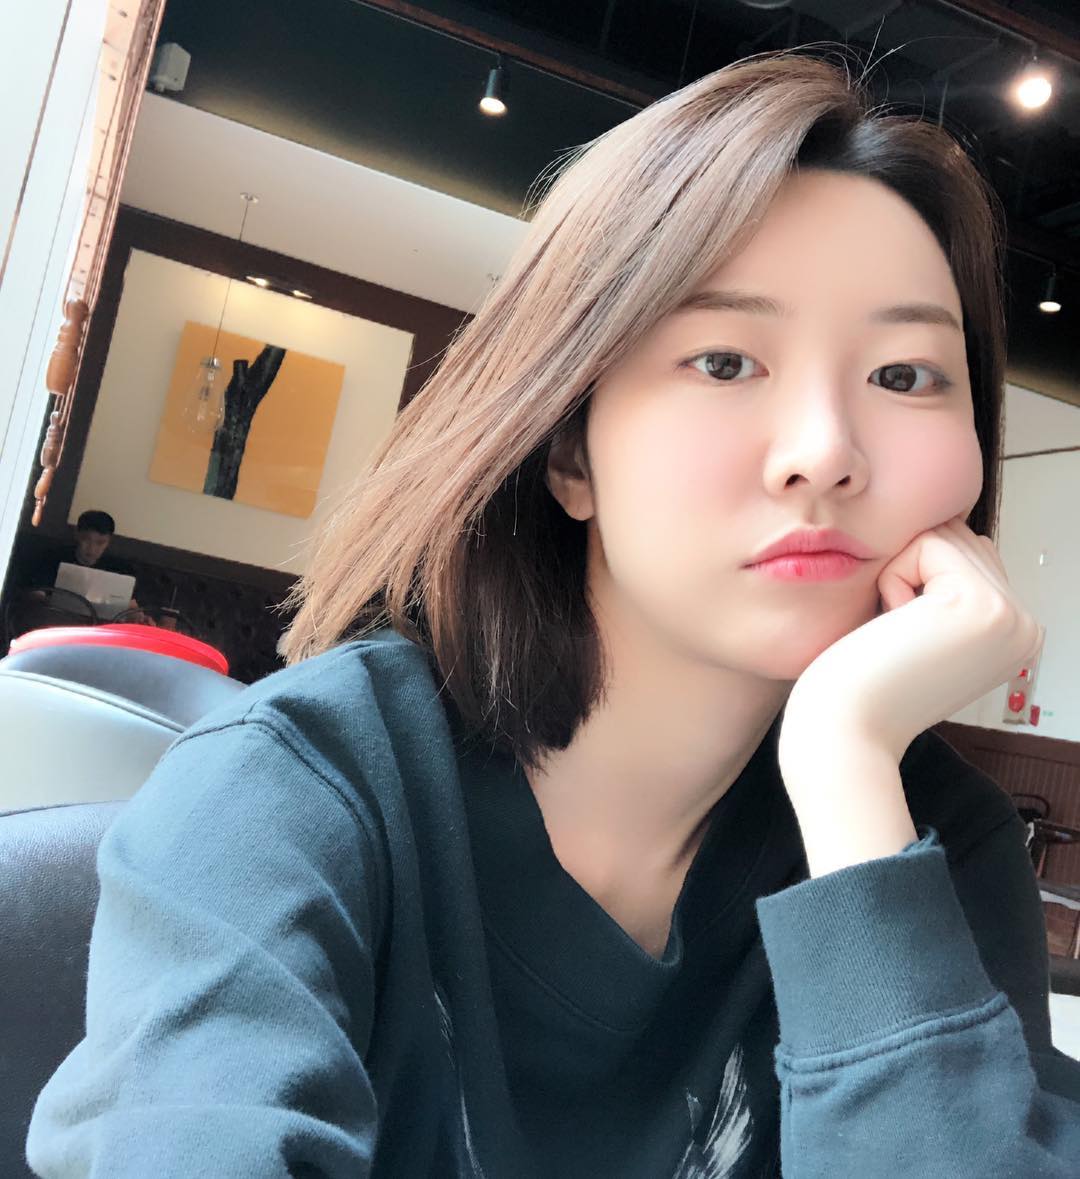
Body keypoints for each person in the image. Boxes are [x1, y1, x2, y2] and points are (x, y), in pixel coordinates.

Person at [26, 52, 1080, 1178]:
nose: (824, 452)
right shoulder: (295, 790)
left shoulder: (921, 834)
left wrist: (845, 763)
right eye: (726, 360)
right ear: (570, 451)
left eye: (906, 376)